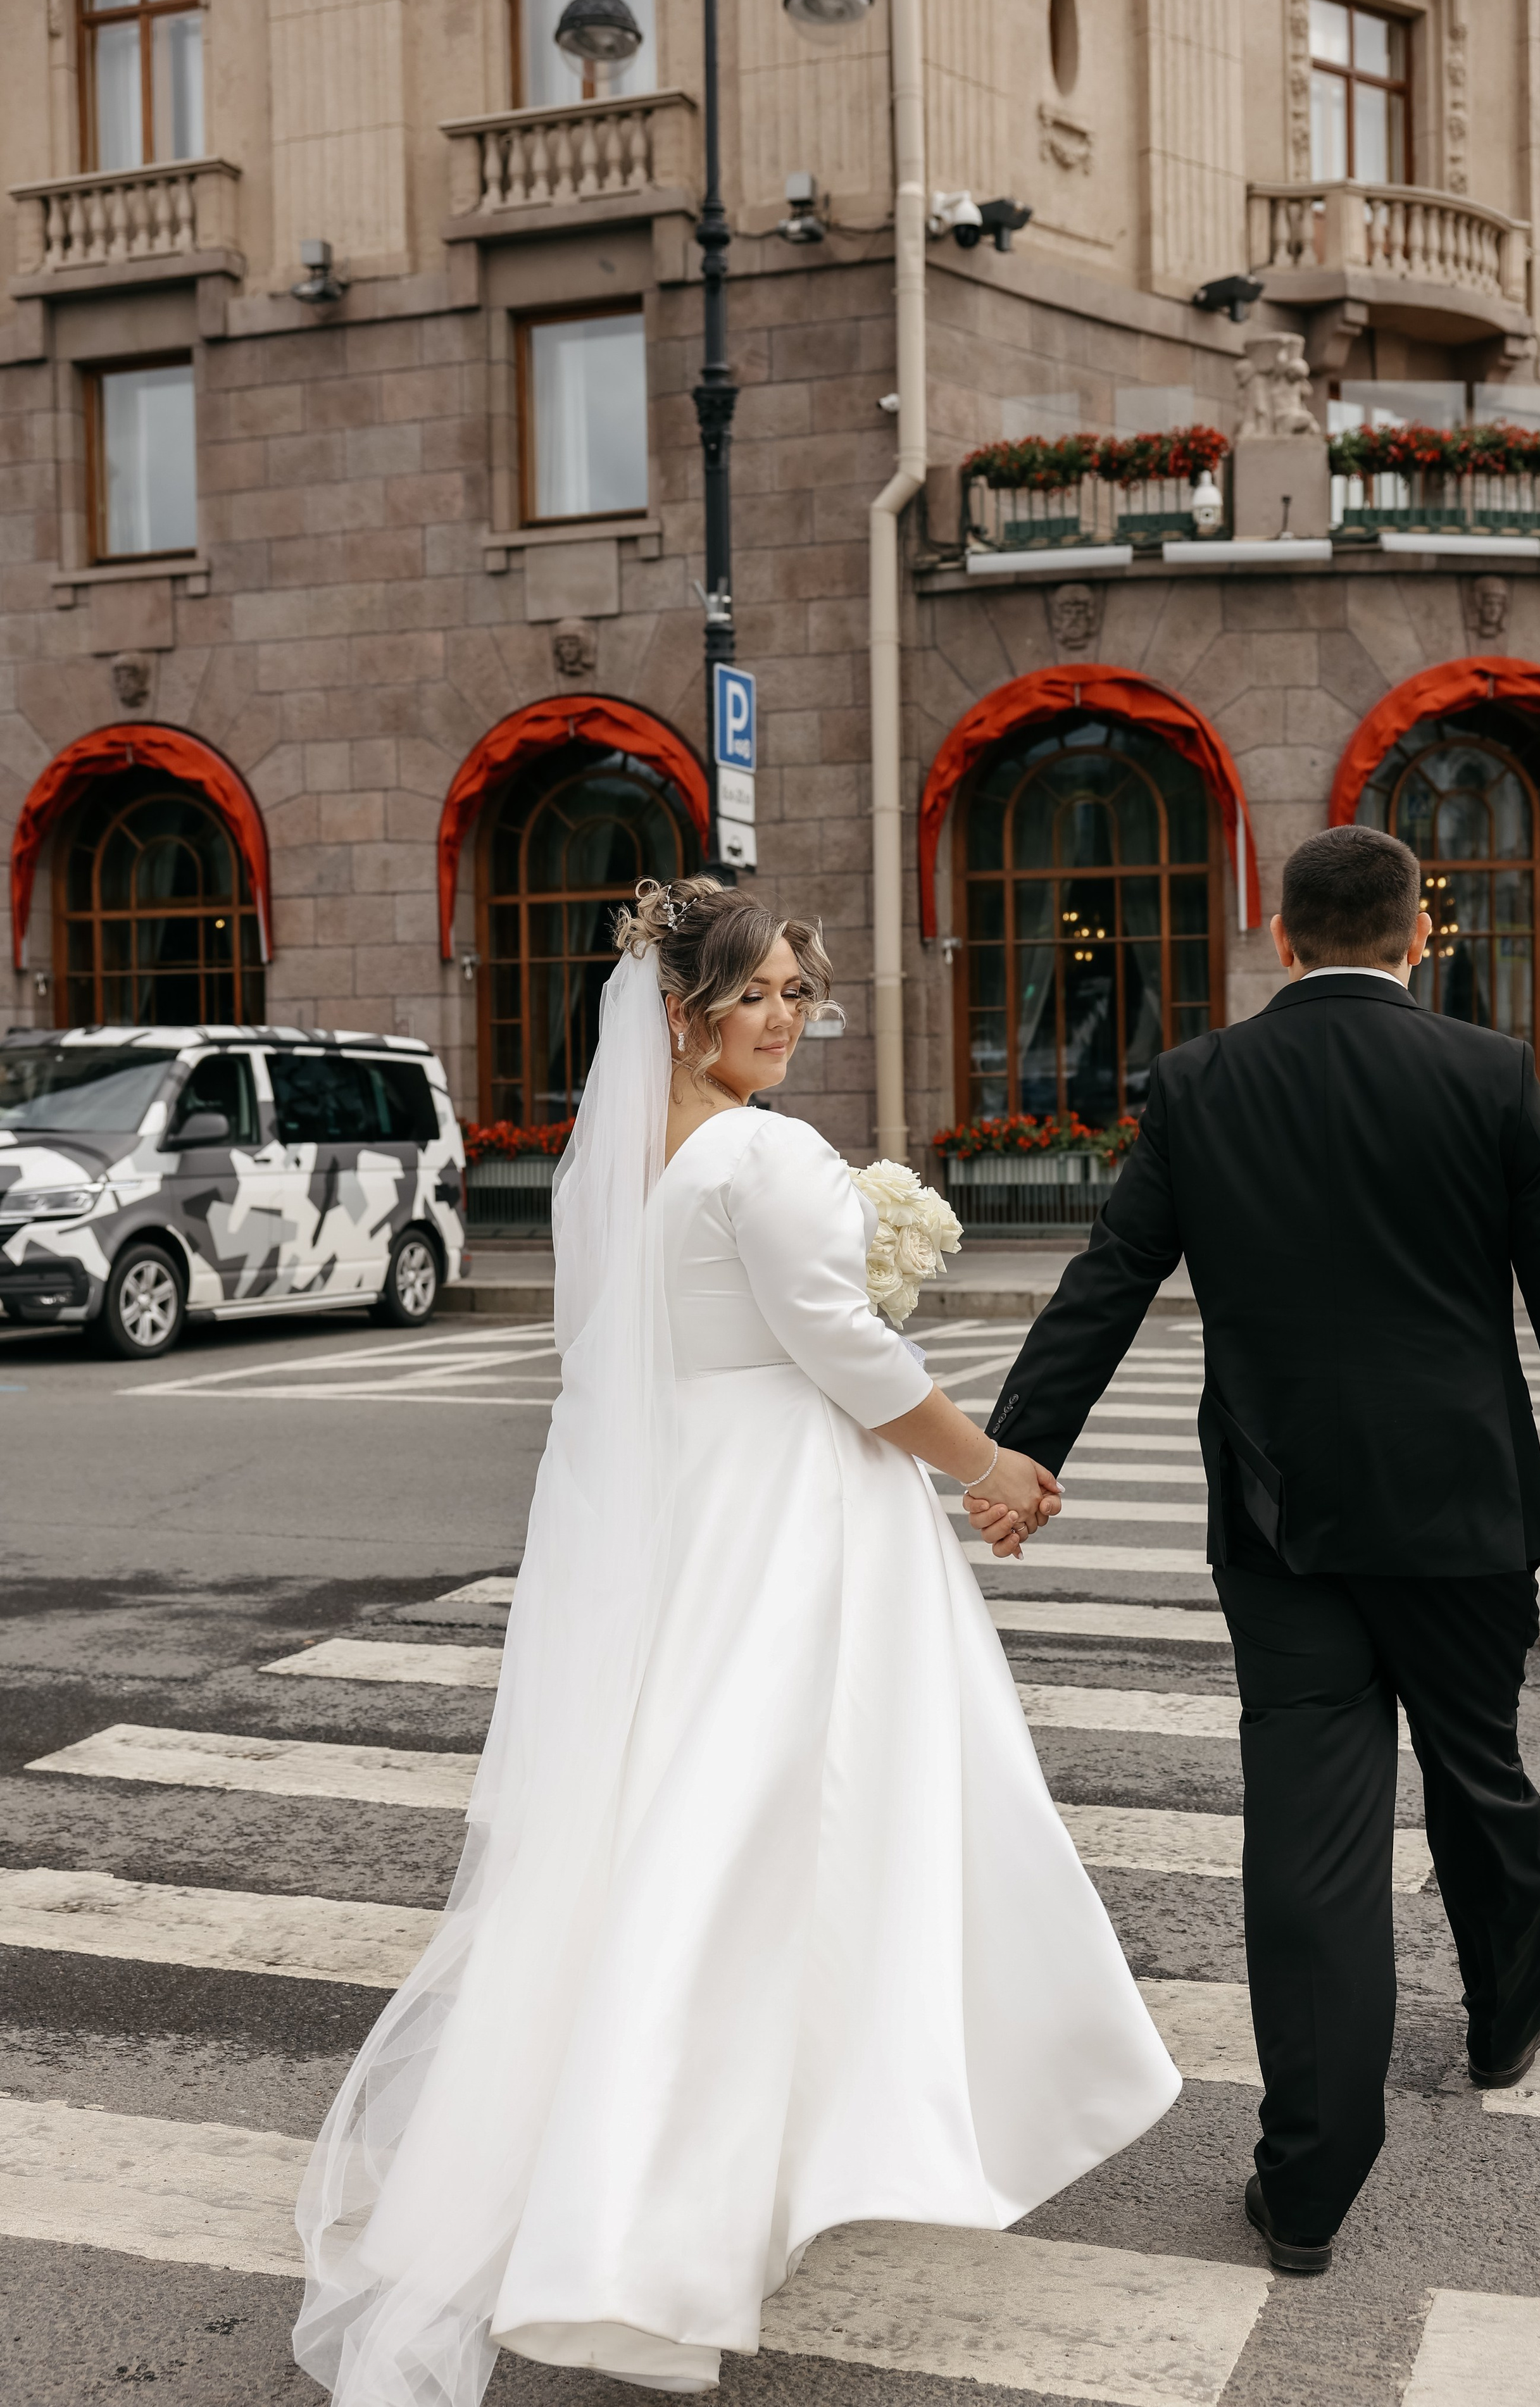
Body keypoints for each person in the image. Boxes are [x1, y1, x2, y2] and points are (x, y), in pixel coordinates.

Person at [293, 875, 1179, 2403]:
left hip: (693, 1512)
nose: (782, 1018)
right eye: (754, 993)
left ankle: (690, 2160)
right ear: (682, 1012)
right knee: (771, 1836)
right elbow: (842, 1348)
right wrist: (985, 1468)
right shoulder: (761, 1154)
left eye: (793, 992)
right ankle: (660, 2212)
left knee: (688, 1829)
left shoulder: (622, 1155)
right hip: (785, 1524)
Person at [969, 824, 1540, 2275]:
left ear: (1279, 936)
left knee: (1309, 1836)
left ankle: (1308, 2184)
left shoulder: (1201, 1083)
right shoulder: (1487, 1074)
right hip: (1460, 1513)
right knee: (1478, 1767)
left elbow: (1108, 1275)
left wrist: (1023, 1452)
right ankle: (1513, 2012)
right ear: (1415, 938)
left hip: (1281, 1520)